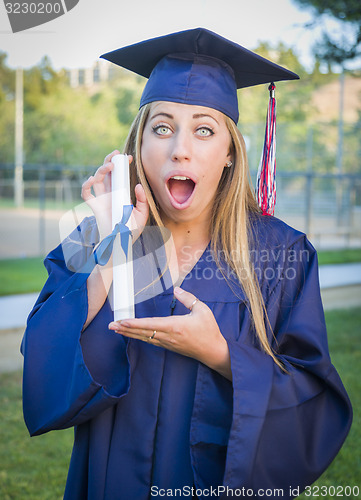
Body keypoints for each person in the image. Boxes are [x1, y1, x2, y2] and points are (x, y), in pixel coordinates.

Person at [21, 28, 352, 499]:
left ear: (230, 154)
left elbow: (316, 407)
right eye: (162, 127)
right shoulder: (96, 239)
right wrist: (114, 242)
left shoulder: (281, 255)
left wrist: (219, 354)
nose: (180, 147)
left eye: (203, 129)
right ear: (139, 148)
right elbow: (42, 368)